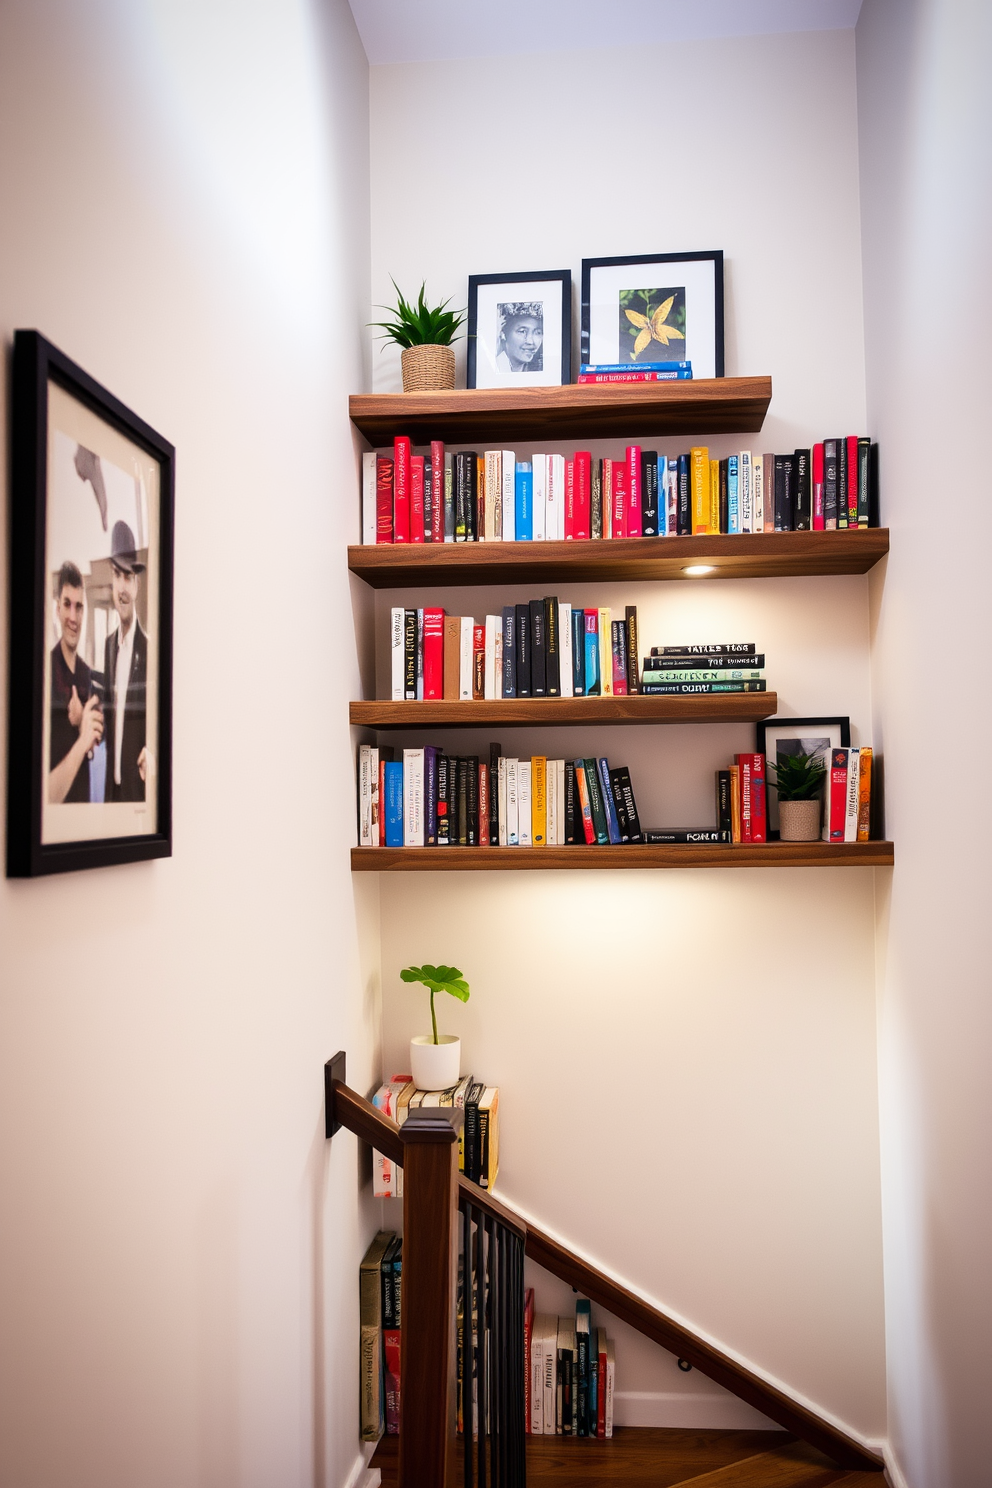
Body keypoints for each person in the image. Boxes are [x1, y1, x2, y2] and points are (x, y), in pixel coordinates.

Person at [48, 560, 103, 804]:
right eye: (67, 605)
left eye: (79, 607)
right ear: (57, 608)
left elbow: (94, 743)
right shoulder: (47, 671)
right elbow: (46, 795)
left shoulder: (86, 675)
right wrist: (82, 739)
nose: (73, 616)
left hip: (82, 814)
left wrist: (83, 722)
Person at [103, 520, 149, 802]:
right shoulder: (108, 646)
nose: (121, 587)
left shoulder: (150, 651)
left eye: (127, 577)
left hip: (138, 795)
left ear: (137, 584)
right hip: (111, 794)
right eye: (116, 576)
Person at [495, 302, 544, 373]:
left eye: (538, 333)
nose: (530, 341)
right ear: (503, 333)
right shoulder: (494, 369)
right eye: (522, 331)